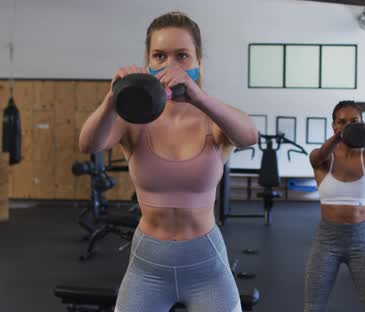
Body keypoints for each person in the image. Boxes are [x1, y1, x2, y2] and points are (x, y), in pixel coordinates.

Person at [78, 11, 258, 312]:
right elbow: (88, 144)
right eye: (159, 56)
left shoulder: (213, 120)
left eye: (182, 56)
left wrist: (198, 98)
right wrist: (112, 98)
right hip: (148, 264)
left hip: (207, 263)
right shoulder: (133, 121)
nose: (169, 65)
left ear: (199, 63)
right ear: (148, 62)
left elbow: (249, 135)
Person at [304, 101, 365, 312]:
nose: (348, 125)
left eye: (354, 122)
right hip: (327, 240)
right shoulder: (323, 158)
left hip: (363, 241)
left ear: (364, 124)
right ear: (334, 126)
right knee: (313, 307)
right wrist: (341, 136)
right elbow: (318, 155)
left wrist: (364, 135)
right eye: (342, 122)